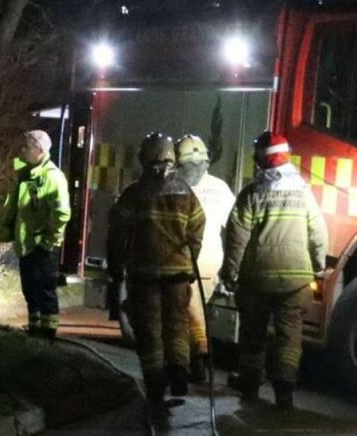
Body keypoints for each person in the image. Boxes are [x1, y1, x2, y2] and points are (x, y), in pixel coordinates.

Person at [218, 131, 328, 409]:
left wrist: (229, 273)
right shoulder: (303, 191)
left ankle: (250, 385)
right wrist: (318, 265)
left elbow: (236, 237)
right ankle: (284, 391)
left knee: (253, 334)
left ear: (261, 160)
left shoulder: (252, 194)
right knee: (289, 336)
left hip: (257, 280)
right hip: (296, 280)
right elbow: (318, 231)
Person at [106, 132, 206, 422]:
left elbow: (116, 234)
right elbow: (197, 229)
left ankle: (155, 392)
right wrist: (188, 259)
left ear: (145, 158)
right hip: (178, 276)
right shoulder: (186, 193)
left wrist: (116, 267)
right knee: (176, 327)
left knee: (150, 334)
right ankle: (179, 372)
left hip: (144, 276)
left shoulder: (134, 193)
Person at [0, 130, 71, 340]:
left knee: (45, 291)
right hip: (27, 243)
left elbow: (62, 213)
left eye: (26, 147)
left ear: (39, 150)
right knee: (30, 290)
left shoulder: (53, 177)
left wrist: (49, 242)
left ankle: (47, 335)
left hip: (43, 245)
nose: (22, 150)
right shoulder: (26, 174)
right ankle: (35, 329)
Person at [174, 134, 236, 383]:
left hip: (183, 259)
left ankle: (198, 359)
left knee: (188, 312)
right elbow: (233, 226)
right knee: (194, 309)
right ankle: (193, 360)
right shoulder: (219, 188)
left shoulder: (175, 185)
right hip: (212, 261)